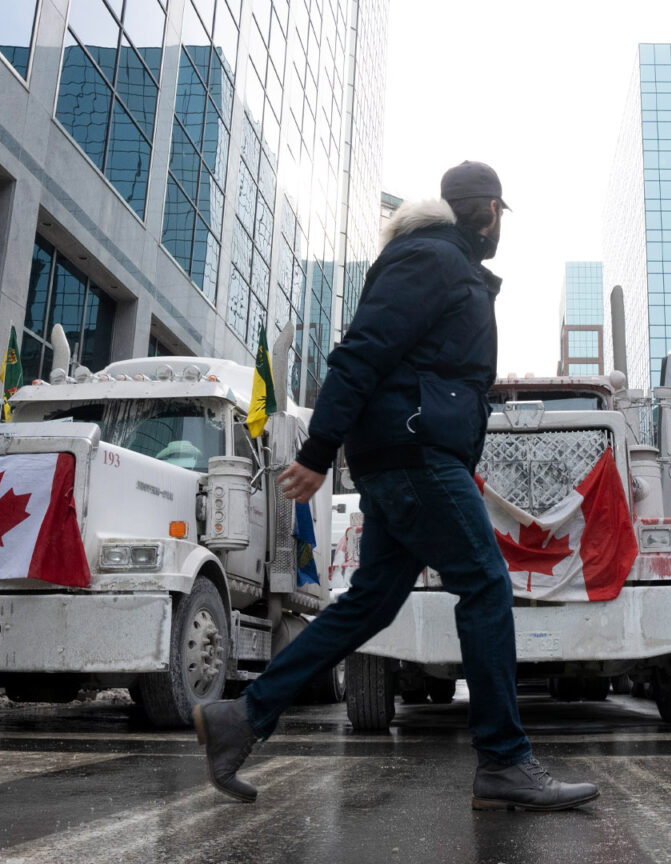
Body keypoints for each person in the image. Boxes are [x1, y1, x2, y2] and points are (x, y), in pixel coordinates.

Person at [193, 161, 599, 811]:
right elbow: (362, 351)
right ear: (489, 209)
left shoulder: (439, 261)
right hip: (414, 454)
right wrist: (319, 449)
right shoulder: (432, 259)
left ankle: (242, 717)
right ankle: (503, 760)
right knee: (487, 584)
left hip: (407, 452)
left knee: (371, 603)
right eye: (501, 214)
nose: (501, 227)